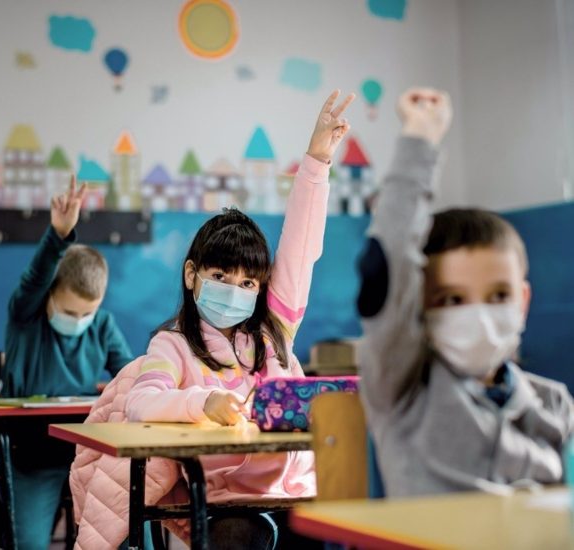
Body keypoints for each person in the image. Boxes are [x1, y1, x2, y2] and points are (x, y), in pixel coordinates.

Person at [70, 88, 355, 549]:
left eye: (248, 283)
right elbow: (143, 402)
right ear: (191, 275)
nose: (235, 290)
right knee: (239, 536)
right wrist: (200, 404)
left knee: (337, 528)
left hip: (295, 491)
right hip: (229, 504)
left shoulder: (273, 331)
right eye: (220, 275)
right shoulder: (174, 346)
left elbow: (302, 248)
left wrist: (317, 161)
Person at [356, 87, 574, 497]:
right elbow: (389, 262)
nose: (479, 314)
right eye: (452, 300)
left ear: (523, 302)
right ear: (417, 306)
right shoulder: (403, 388)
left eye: (498, 296)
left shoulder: (554, 405)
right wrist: (420, 138)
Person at [2, 177, 133, 549]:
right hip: (32, 456)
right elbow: (34, 278)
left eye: (87, 312)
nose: (78, 320)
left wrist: (133, 386)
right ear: (50, 296)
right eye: (69, 310)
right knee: (28, 544)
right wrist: (59, 234)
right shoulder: (26, 316)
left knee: (116, 534)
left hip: (90, 453)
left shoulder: (103, 325)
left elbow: (130, 374)